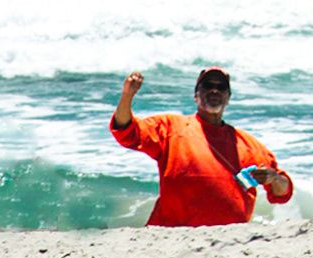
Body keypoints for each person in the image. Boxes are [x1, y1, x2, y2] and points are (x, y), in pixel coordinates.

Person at [110, 66, 293, 228]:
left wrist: (273, 178)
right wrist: (127, 95)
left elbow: (282, 193)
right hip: (171, 234)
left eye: (221, 87)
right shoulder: (170, 128)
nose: (214, 90)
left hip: (230, 240)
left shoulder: (248, 145)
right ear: (196, 96)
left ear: (228, 98)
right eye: (208, 86)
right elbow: (126, 132)